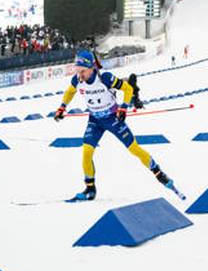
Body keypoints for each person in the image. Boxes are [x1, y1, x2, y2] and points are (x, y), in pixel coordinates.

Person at [54, 49, 183, 202]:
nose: (80, 75)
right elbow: (70, 92)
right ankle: (90, 189)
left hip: (113, 119)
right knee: (86, 152)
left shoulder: (105, 78)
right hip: (95, 120)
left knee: (134, 148)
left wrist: (124, 107)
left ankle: (159, 173)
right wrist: (62, 107)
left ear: (92, 68)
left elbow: (127, 89)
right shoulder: (77, 80)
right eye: (77, 71)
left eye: (83, 71)